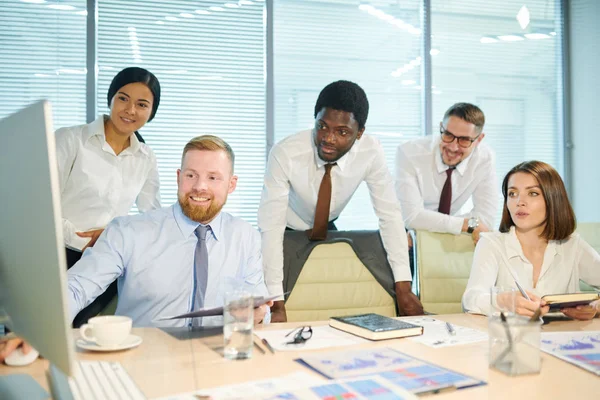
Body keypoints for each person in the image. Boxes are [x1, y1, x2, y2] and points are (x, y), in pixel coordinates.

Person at [1, 135, 271, 361]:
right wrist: (36, 328)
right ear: (178, 177)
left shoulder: (246, 236)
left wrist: (261, 314)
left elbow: (258, 305)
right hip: (141, 360)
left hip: (218, 360)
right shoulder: (128, 231)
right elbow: (77, 286)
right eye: (191, 175)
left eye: (213, 177)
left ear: (231, 184)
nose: (200, 186)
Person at [258, 80, 422, 322]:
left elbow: (389, 215)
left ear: (359, 133)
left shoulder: (371, 151)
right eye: (322, 126)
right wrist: (276, 304)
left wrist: (404, 286)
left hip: (327, 223)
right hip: (286, 227)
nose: (329, 138)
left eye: (342, 132)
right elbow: (270, 227)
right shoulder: (286, 153)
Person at [57, 67, 162, 326]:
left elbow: (152, 218)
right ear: (111, 99)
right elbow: (38, 204)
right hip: (53, 254)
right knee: (43, 333)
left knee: (84, 341)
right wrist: (82, 240)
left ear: (151, 112)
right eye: (123, 98)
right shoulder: (70, 139)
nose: (130, 110)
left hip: (105, 263)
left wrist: (113, 234)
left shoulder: (146, 157)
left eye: (142, 104)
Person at [462, 160, 600, 319]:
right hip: (511, 339)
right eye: (512, 193)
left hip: (563, 339)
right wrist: (503, 301)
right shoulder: (491, 243)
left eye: (533, 193)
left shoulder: (572, 245)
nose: (519, 202)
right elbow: (470, 300)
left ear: (553, 199)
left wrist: (595, 307)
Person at [395, 103, 497, 249]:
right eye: (448, 134)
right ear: (441, 127)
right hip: (407, 239)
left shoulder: (485, 158)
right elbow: (412, 217)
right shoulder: (409, 153)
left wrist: (453, 226)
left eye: (464, 140)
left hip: (445, 239)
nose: (453, 147)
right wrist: (467, 224)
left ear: (479, 139)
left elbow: (485, 218)